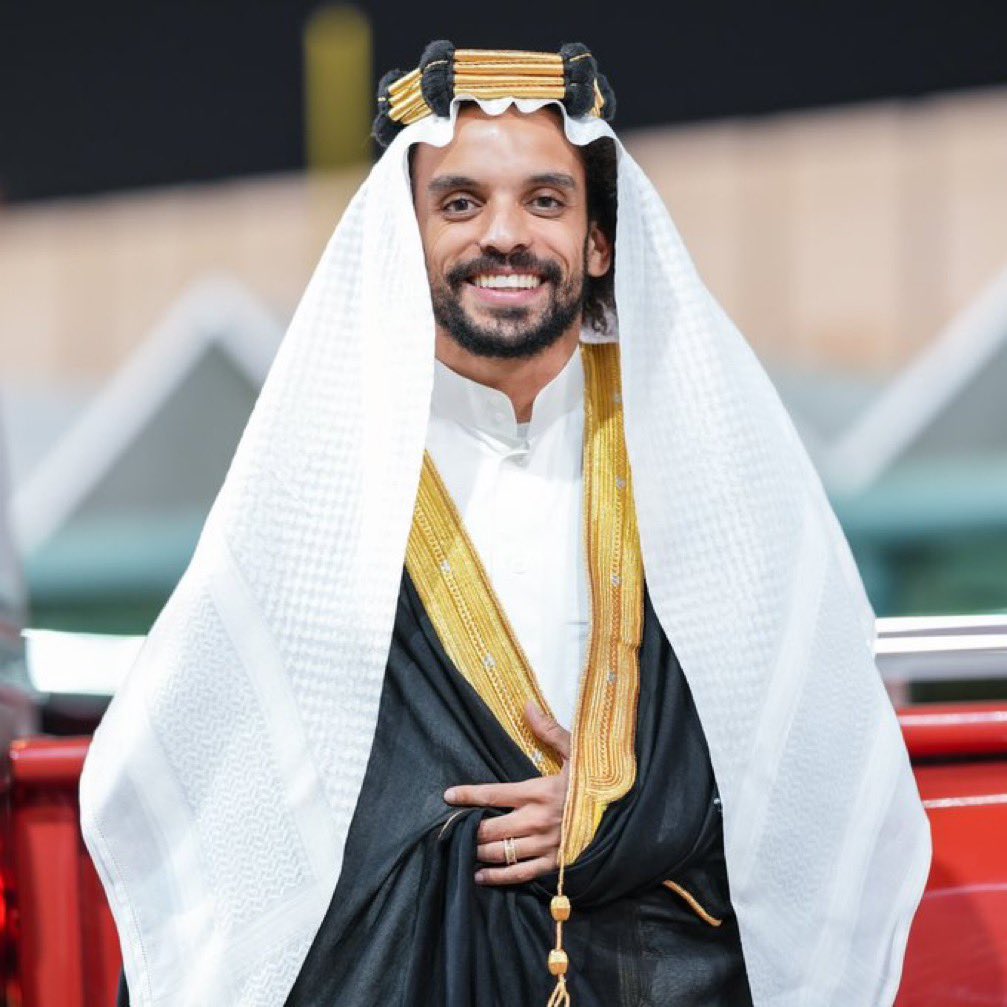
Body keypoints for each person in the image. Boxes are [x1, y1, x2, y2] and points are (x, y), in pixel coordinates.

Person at [87, 42, 930, 1007]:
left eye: (544, 201)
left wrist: (632, 804)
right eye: (459, 203)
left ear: (598, 241)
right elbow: (224, 775)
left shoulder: (695, 439)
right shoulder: (326, 468)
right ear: (403, 240)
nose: (503, 235)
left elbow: (809, 736)